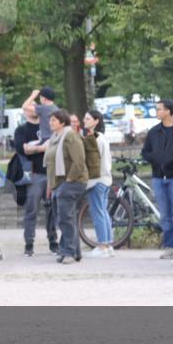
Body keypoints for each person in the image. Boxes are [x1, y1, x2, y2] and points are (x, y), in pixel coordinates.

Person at [141, 99, 173, 259]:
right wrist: (155, 158)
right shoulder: (154, 131)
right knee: (164, 214)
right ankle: (170, 245)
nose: (157, 112)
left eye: (159, 109)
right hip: (158, 177)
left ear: (168, 111)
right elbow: (145, 151)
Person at [44, 109, 88, 264]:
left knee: (65, 218)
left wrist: (69, 179)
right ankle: (74, 251)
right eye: (50, 120)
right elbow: (50, 164)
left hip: (72, 182)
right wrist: (51, 185)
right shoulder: (55, 137)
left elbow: (79, 160)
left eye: (54, 120)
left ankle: (68, 251)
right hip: (58, 183)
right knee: (65, 218)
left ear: (63, 122)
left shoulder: (70, 136)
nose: (51, 123)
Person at [14, 104, 57, 256]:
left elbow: (55, 145)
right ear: (25, 111)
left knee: (52, 210)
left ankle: (53, 241)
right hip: (34, 176)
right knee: (31, 210)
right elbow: (22, 148)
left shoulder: (49, 126)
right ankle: (29, 244)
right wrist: (42, 147)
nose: (36, 109)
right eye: (32, 107)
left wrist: (33, 147)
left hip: (51, 173)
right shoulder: (21, 130)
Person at [84, 110, 114, 258]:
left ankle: (102, 246)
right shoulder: (102, 137)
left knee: (98, 214)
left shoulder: (94, 139)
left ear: (96, 121)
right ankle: (108, 245)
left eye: (88, 119)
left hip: (97, 181)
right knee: (103, 212)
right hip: (105, 179)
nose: (85, 121)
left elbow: (93, 162)